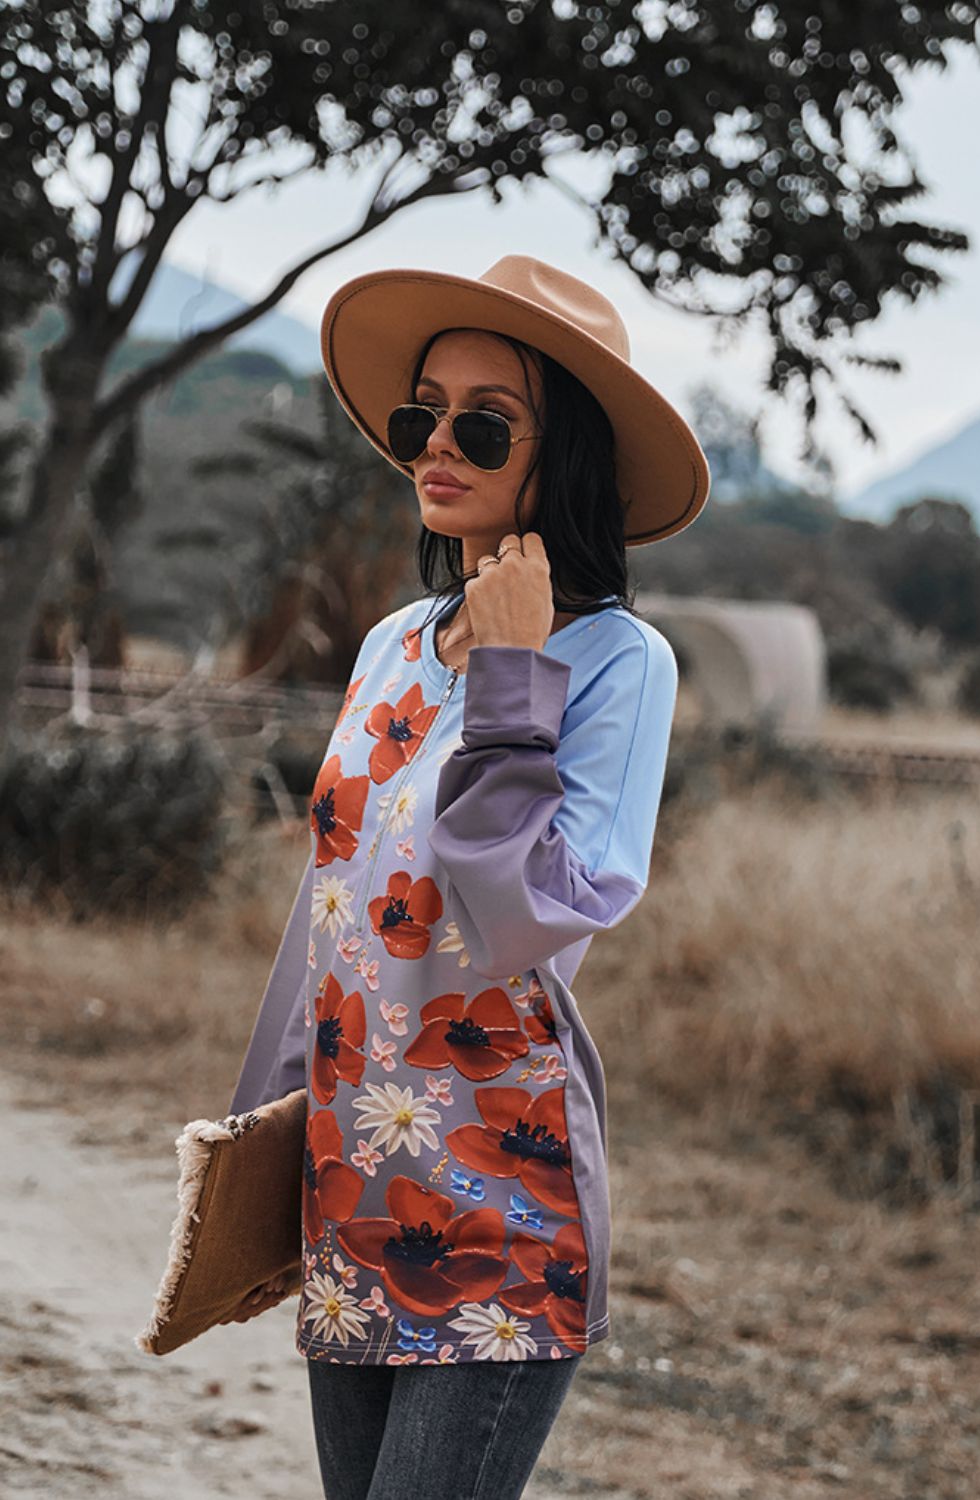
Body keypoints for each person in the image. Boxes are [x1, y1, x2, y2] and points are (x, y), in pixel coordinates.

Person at [223, 254, 710, 1499]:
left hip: (497, 1189)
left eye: (484, 423)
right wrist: (265, 1130)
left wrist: (509, 679)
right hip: (350, 1169)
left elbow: (527, 915)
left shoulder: (621, 663)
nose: (437, 444)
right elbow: (332, 910)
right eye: (422, 413)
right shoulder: (391, 643)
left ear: (570, 453)